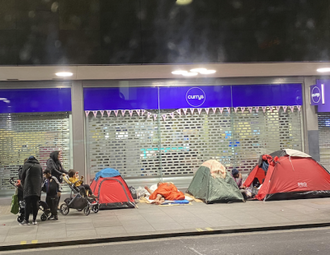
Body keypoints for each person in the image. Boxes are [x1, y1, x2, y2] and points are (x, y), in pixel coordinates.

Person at [20, 156, 43, 225]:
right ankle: (34, 220)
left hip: (28, 187)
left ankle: (26, 220)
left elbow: (22, 176)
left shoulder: (26, 165)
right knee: (35, 203)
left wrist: (23, 184)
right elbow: (41, 177)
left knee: (27, 204)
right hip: (36, 188)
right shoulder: (39, 166)